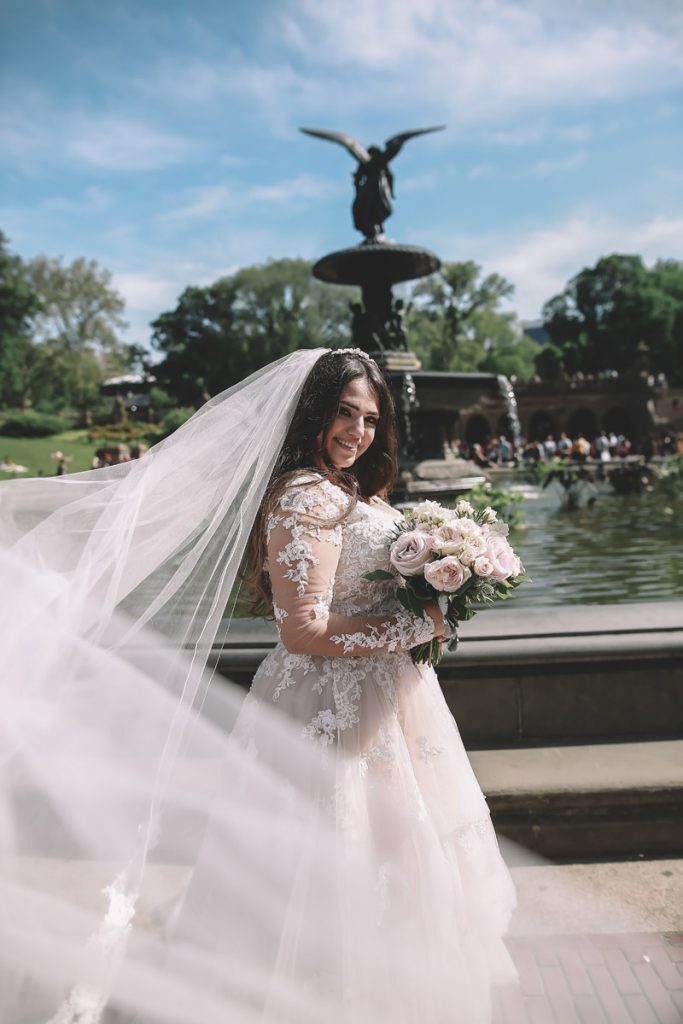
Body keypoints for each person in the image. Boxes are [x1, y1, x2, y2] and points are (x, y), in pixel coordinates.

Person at [0, 347, 515, 1023]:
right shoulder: (302, 496)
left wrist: (442, 575)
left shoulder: (344, 490)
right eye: (341, 413)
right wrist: (416, 628)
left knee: (391, 865)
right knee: (329, 873)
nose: (355, 431)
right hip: (328, 707)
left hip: (382, 707)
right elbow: (302, 630)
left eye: (366, 417)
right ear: (310, 414)